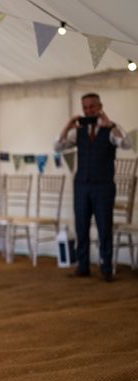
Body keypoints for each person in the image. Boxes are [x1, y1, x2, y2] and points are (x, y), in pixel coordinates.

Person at [55, 93, 133, 282]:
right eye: (85, 107)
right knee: (81, 226)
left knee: (104, 227)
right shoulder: (78, 131)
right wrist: (68, 125)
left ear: (100, 106)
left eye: (92, 107)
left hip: (103, 186)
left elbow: (127, 143)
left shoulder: (111, 128)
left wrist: (110, 125)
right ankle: (83, 266)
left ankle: (106, 268)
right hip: (81, 185)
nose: (88, 110)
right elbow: (58, 147)